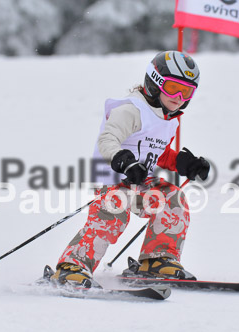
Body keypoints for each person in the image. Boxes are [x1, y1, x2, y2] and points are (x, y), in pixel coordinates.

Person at [50, 50, 210, 288]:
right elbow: (108, 140)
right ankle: (72, 266)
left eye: (186, 91)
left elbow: (156, 151)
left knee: (173, 199)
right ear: (155, 82)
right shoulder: (131, 110)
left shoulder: (167, 118)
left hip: (141, 180)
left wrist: (183, 163)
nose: (178, 97)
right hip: (112, 179)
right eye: (173, 88)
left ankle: (157, 261)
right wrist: (125, 161)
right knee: (113, 217)